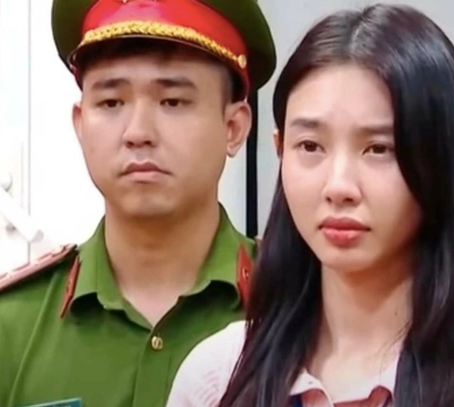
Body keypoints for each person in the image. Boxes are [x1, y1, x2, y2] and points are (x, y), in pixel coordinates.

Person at [166, 4, 454, 407]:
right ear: (280, 149)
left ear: (441, 161)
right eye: (310, 146)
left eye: (378, 149)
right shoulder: (218, 376)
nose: (338, 186)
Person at [0, 1, 275, 406]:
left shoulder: (298, 310)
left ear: (234, 128)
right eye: (111, 103)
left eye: (172, 102)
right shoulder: (12, 325)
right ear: (80, 123)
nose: (137, 132)